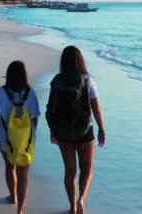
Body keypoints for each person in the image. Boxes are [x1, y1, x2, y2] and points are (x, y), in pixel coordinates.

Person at [46, 46, 106, 214]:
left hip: (63, 131)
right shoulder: (88, 80)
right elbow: (96, 108)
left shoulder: (57, 81)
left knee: (70, 171)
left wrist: (53, 130)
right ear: (80, 60)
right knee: (86, 170)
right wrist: (102, 130)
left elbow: (52, 108)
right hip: (85, 130)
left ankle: (72, 207)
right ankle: (81, 201)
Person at [0, 60, 40, 214]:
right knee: (23, 175)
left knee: (10, 167)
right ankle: (21, 210)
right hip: (26, 141)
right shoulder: (31, 94)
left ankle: (13, 197)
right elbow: (35, 118)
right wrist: (31, 137)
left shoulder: (0, 93)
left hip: (6, 139)